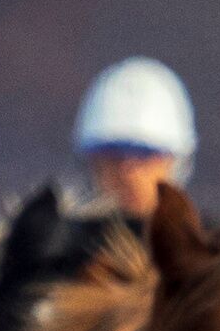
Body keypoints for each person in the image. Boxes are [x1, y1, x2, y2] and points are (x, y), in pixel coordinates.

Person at [71, 57, 195, 222]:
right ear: (92, 165)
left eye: (145, 155)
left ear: (176, 163)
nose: (128, 172)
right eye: (113, 156)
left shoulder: (209, 245)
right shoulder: (57, 245)